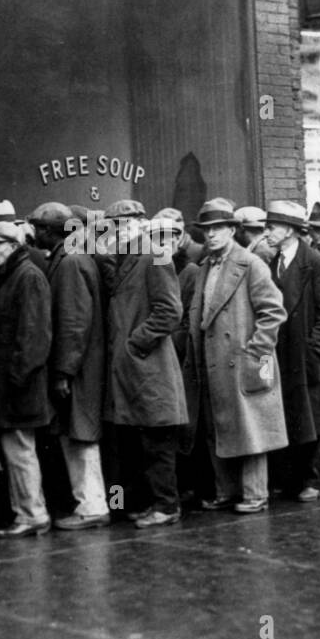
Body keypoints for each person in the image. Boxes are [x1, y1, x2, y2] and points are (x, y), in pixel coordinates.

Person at [187, 198, 287, 513]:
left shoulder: (250, 264)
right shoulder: (205, 265)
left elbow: (273, 312)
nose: (212, 235)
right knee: (219, 425)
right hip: (213, 357)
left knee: (251, 426)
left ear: (232, 229)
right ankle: (226, 490)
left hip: (244, 358)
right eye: (207, 229)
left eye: (218, 228)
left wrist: (255, 352)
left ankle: (255, 494)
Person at [103, 199, 188, 527]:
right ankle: (142, 504)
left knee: (157, 442)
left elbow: (170, 310)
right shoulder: (125, 256)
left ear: (138, 223)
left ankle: (167, 507)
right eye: (114, 225)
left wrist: (136, 342)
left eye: (125, 223)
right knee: (137, 444)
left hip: (148, 365)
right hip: (134, 367)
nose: (118, 230)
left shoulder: (155, 254)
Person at [30, 202, 108, 529]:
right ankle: (91, 504)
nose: (35, 235)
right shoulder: (72, 257)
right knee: (78, 434)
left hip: (77, 368)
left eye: (38, 229)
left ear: (49, 231)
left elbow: (74, 323)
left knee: (81, 435)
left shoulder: (70, 262)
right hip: (81, 365)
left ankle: (92, 507)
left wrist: (63, 372)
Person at [0, 220, 54, 537]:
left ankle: (32, 514)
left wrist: (15, 377)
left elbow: (35, 337)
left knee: (20, 451)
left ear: (13, 246)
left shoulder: (26, 277)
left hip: (19, 385)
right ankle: (28, 513)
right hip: (12, 384)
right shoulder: (12, 276)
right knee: (18, 451)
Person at [262, 200, 320, 502]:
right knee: (290, 416)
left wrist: (312, 352)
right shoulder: (273, 263)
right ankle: (293, 478)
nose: (267, 232)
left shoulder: (316, 264)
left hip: (306, 357)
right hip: (282, 355)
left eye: (272, 227)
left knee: (314, 419)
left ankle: (314, 480)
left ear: (291, 231)